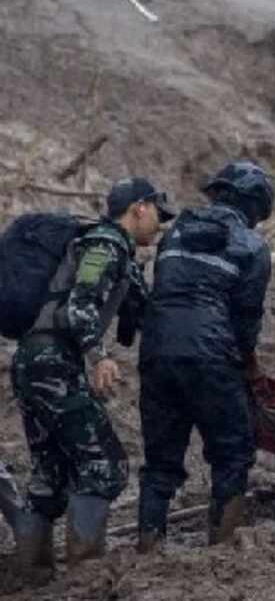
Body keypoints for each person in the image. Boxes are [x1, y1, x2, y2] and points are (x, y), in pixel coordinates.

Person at [11, 177, 173, 569]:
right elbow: (79, 308)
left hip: (35, 362)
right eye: (157, 214)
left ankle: (31, 572)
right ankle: (84, 572)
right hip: (51, 362)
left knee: (49, 473)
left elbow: (140, 310)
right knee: (105, 464)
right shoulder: (104, 244)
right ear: (139, 207)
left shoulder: (118, 251)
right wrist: (98, 356)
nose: (161, 223)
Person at [136, 161, 275, 551]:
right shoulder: (252, 246)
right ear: (256, 207)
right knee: (232, 452)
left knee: (160, 461)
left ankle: (147, 550)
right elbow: (246, 320)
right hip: (212, 355)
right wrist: (249, 366)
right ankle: (221, 548)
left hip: (157, 353)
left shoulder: (175, 231)